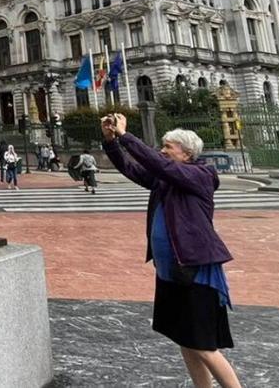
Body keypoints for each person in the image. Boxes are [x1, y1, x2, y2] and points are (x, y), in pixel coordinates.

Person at [101, 114, 241, 388]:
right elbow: (133, 169)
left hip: (195, 270)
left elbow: (158, 164)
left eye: (169, 147)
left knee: (203, 345)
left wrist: (125, 135)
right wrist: (111, 141)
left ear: (187, 154)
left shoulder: (199, 175)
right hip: (171, 271)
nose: (163, 151)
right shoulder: (166, 180)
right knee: (186, 341)